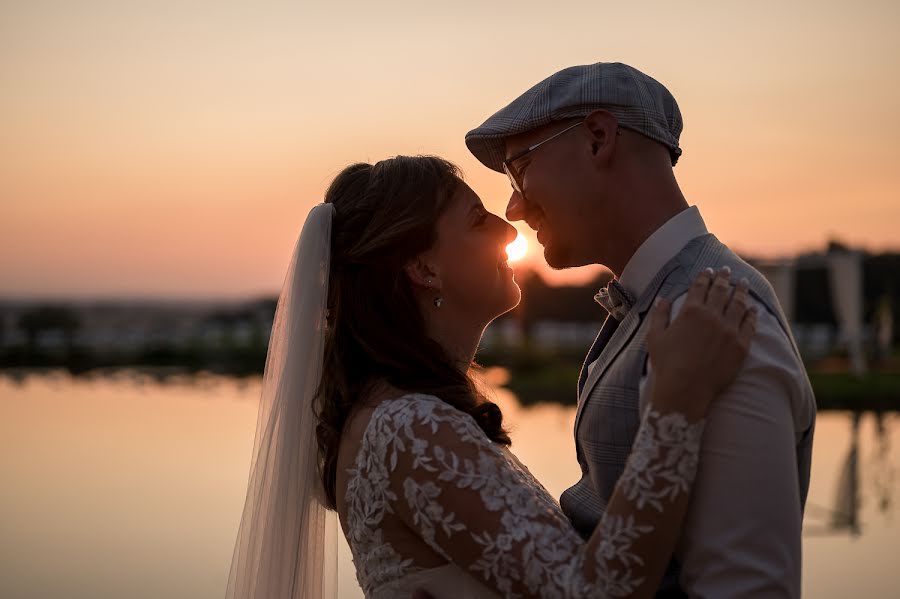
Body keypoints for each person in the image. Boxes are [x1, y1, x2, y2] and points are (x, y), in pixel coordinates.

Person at [225, 155, 758, 599]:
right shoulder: (408, 429)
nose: (510, 229)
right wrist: (677, 398)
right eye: (478, 220)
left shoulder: (394, 416)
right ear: (424, 268)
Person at [464, 61, 817, 597]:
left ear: (598, 138)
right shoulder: (664, 303)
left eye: (519, 167)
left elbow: (746, 586)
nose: (512, 206)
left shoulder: (721, 318)